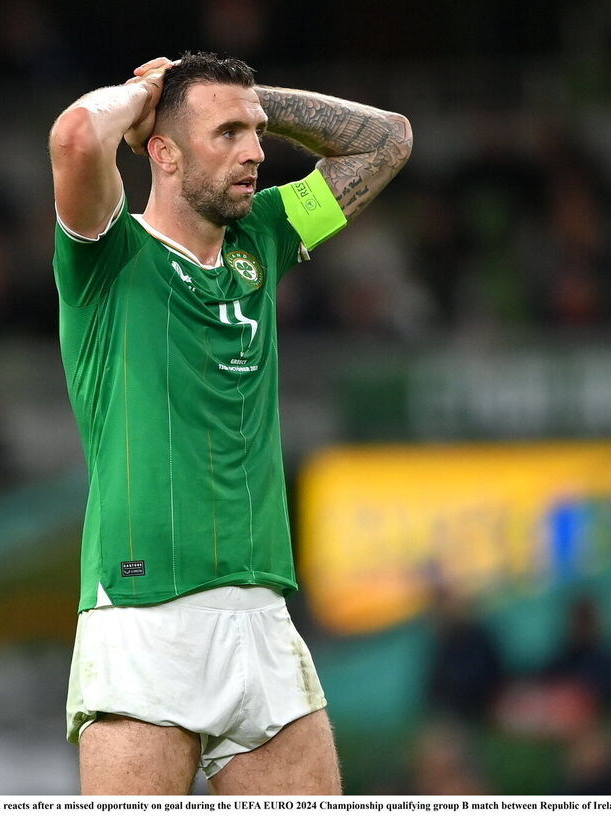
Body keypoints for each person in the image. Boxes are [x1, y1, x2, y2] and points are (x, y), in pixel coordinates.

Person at [48, 52, 412, 795]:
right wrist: (154, 91)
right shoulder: (109, 258)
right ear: (165, 152)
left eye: (257, 133)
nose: (254, 151)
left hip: (262, 618)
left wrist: (244, 99)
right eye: (227, 134)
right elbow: (79, 136)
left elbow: (388, 141)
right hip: (148, 619)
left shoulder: (263, 239)